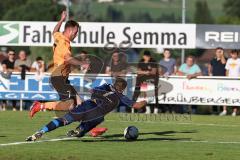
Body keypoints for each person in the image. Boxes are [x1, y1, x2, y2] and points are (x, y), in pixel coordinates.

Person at [26, 78, 147, 141]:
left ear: (114, 84)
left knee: (63, 120)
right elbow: (138, 106)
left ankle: (42, 131)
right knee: (81, 132)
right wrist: (146, 97)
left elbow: (92, 91)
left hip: (88, 106)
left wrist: (100, 95)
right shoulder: (120, 96)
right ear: (123, 89)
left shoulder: (105, 86)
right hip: (98, 116)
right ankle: (79, 130)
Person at [29, 11, 84, 118]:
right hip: (58, 77)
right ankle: (40, 106)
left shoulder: (59, 37)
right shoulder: (64, 43)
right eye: (76, 32)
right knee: (70, 105)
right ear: (70, 30)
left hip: (62, 78)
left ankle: (85, 128)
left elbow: (54, 31)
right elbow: (68, 58)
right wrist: (83, 64)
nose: (76, 35)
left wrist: (61, 19)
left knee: (79, 102)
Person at [219, 49, 240, 116]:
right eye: (233, 54)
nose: (234, 55)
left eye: (235, 54)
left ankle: (234, 112)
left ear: (237, 54)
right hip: (229, 81)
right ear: (231, 54)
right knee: (226, 95)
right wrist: (227, 78)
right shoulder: (229, 60)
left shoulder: (239, 60)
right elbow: (227, 70)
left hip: (237, 81)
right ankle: (224, 110)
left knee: (236, 96)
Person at [208, 47, 227, 114]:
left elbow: (223, 62)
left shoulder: (225, 59)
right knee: (214, 95)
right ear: (215, 52)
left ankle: (222, 110)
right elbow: (210, 67)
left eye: (220, 52)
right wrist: (210, 73)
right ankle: (214, 110)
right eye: (218, 52)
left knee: (222, 95)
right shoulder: (213, 60)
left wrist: (222, 55)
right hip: (214, 80)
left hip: (223, 80)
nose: (219, 53)